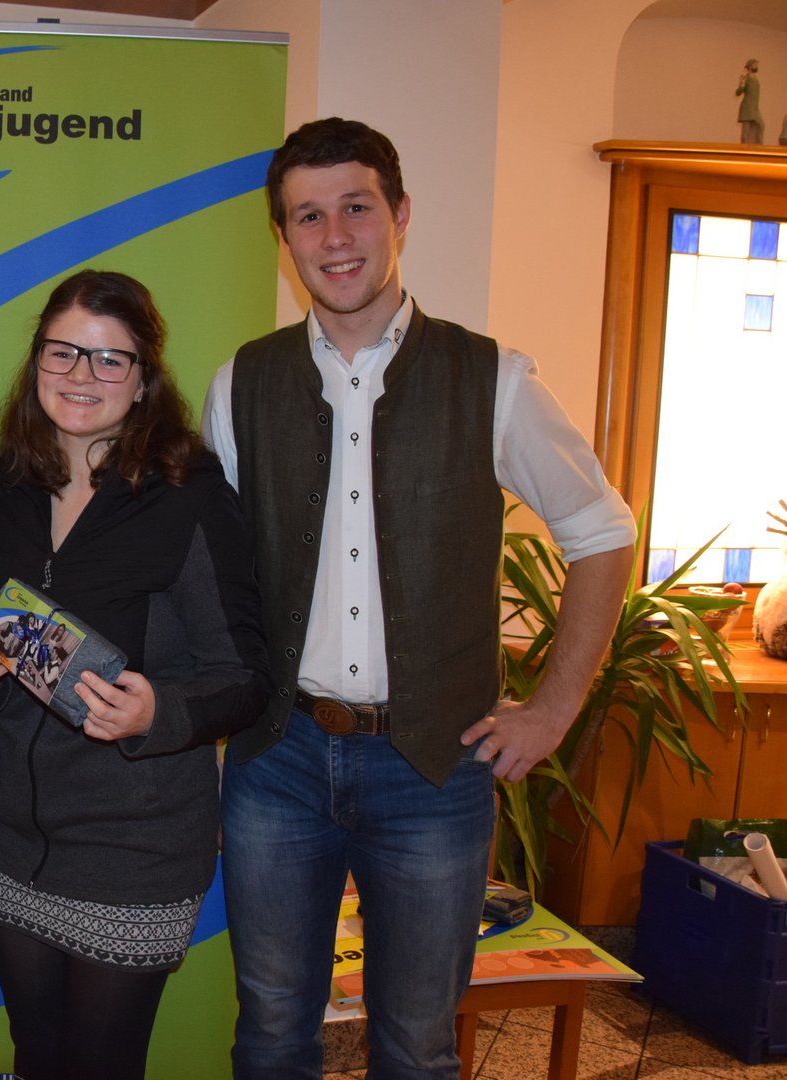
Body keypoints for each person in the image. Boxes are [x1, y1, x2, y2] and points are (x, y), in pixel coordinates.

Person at [200, 118, 637, 1079]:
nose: (335, 237)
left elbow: (603, 532)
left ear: (400, 215)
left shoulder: (494, 380)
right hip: (279, 759)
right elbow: (214, 572)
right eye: (308, 216)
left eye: (356, 207)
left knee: (417, 1042)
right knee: (270, 1029)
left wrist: (554, 707)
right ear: (284, 237)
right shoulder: (241, 385)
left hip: (433, 768)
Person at [0, 270, 272, 1080]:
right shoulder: (0, 486)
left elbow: (244, 675)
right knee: (37, 1058)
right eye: (63, 352)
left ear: (143, 378)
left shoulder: (188, 495)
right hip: (17, 843)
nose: (81, 375)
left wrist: (155, 712)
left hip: (137, 847)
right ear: (36, 361)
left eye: (109, 358)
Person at [737, 59, 763, 144]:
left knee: (761, 125)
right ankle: (744, 148)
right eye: (755, 65)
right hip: (747, 109)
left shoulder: (756, 80)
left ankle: (759, 147)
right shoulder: (746, 79)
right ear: (750, 66)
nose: (756, 66)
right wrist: (742, 83)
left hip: (754, 109)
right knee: (745, 132)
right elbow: (738, 92)